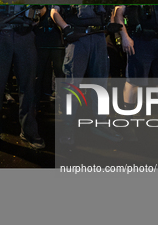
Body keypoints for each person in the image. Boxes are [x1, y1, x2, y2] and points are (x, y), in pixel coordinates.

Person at [0, 5, 45, 155]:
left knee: (28, 87)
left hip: (25, 35)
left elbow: (43, 8)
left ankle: (29, 132)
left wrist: (38, 11)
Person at [51, 5, 123, 144]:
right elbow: (54, 11)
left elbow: (109, 9)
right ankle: (67, 127)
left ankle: (100, 124)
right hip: (77, 37)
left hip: (99, 37)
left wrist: (111, 23)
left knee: (101, 84)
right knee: (72, 85)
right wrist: (66, 28)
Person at [115, 5, 158, 141]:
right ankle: (127, 122)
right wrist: (124, 36)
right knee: (134, 81)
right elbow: (119, 13)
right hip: (140, 40)